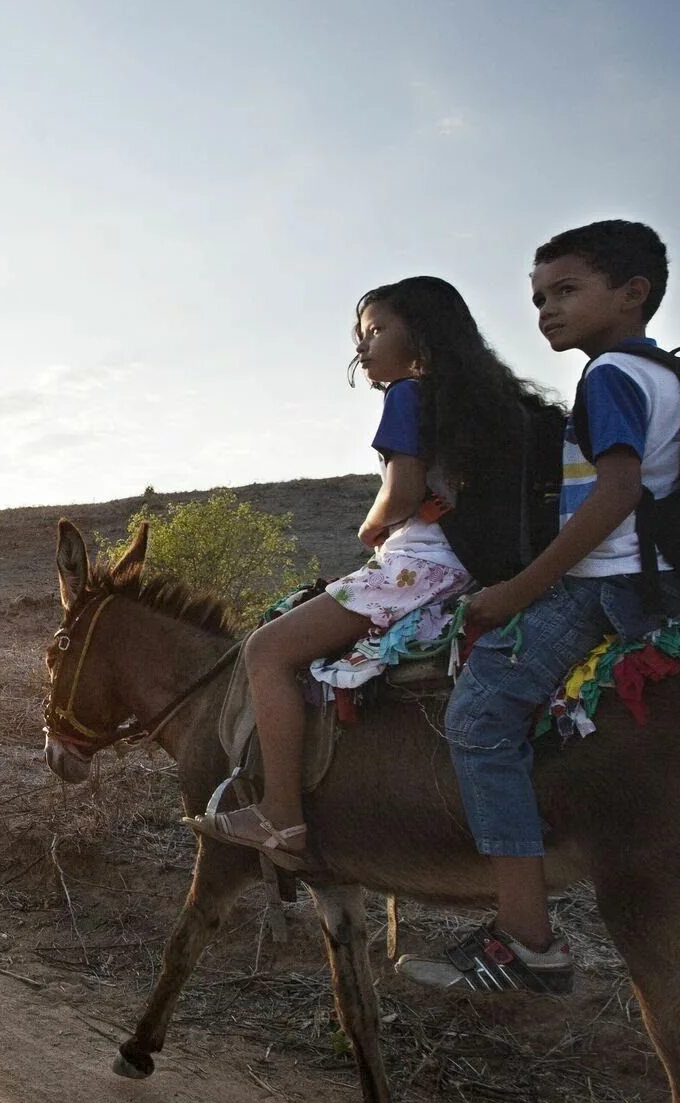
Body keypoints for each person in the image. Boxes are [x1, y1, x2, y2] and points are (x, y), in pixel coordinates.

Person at [401, 219, 680, 996]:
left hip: (606, 585)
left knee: (477, 719)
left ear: (634, 294)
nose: (546, 312)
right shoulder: (667, 373)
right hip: (655, 576)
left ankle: (526, 940)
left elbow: (619, 492)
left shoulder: (608, 378)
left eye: (567, 291)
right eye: (537, 299)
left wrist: (520, 590)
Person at [194, 277, 541, 868]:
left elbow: (401, 492)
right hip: (462, 568)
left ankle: (281, 817)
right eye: (361, 336)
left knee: (266, 650)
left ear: (422, 335)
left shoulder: (408, 394)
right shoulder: (485, 403)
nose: (364, 347)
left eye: (377, 330)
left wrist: (367, 528)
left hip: (416, 565)